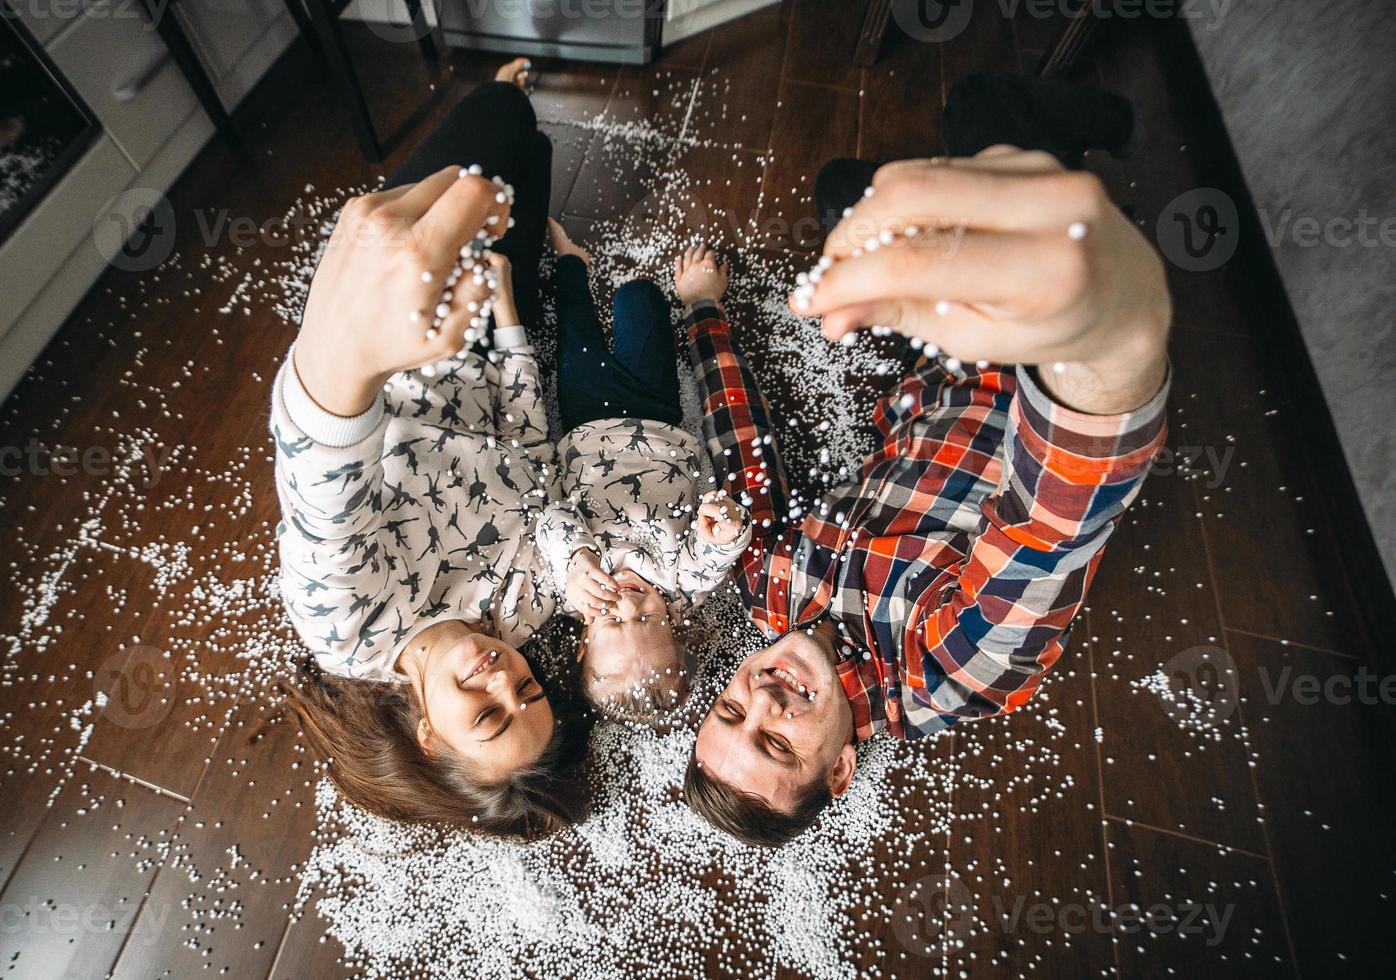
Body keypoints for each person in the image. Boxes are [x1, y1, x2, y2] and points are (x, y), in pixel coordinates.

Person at [681, 77, 1171, 847]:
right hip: (1029, 363)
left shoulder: (765, 588)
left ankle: (1058, 158)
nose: (763, 699)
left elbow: (740, 452)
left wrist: (704, 314)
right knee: (974, 105)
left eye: (731, 712)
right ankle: (1097, 139)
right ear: (840, 769)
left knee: (843, 190)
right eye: (776, 743)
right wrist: (1105, 341)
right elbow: (1052, 526)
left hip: (934, 370)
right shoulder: (945, 668)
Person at [271, 59, 587, 838]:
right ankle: (520, 116)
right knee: (530, 166)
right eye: (530, 696)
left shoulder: (347, 625)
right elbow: (533, 448)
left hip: (400, 329)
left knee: (499, 125)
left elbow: (321, 480)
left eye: (486, 718)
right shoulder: (528, 603)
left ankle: (504, 91)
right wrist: (511, 314)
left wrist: (341, 355)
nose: (503, 681)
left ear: (428, 736)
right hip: (500, 330)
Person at [532, 220, 752, 723]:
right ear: (673, 620)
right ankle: (643, 294)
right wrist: (723, 531)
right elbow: (715, 554)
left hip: (585, 420)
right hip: (658, 417)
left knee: (575, 324)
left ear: (584, 636)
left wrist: (577, 559)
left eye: (612, 620)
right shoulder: (682, 583)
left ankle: (572, 262)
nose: (629, 604)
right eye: (648, 618)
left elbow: (552, 517)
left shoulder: (571, 589)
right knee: (640, 297)